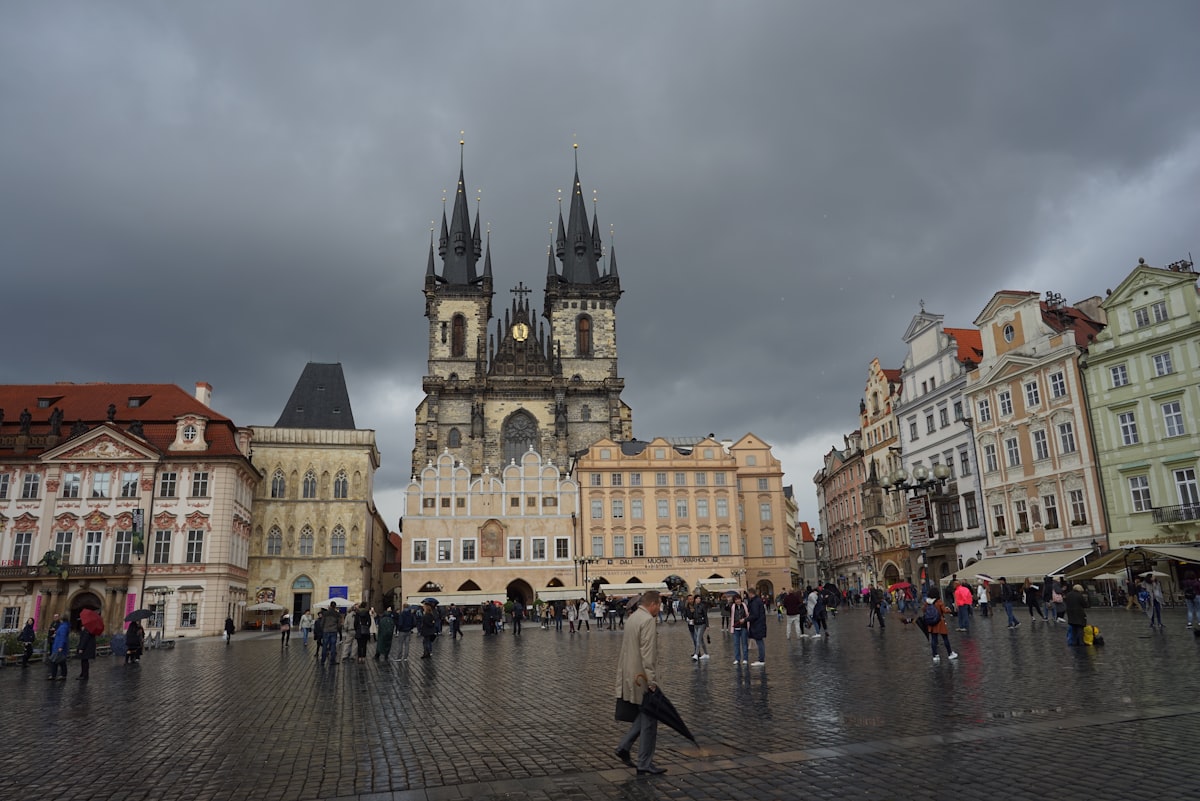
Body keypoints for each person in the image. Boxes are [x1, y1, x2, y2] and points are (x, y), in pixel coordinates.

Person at [614, 590, 666, 775]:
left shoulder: (633, 617)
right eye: (659, 605)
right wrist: (652, 681)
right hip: (642, 676)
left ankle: (624, 746)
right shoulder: (647, 621)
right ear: (652, 604)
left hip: (630, 673)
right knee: (650, 720)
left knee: (645, 714)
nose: (659, 609)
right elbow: (648, 654)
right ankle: (644, 762)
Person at [921, 589, 957, 663]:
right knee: (945, 638)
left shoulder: (927, 602)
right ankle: (950, 654)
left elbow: (923, 610)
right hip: (940, 622)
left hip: (931, 623)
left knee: (934, 639)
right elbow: (944, 610)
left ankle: (935, 655)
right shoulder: (939, 601)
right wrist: (949, 610)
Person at [745, 587, 767, 666]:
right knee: (760, 641)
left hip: (758, 625)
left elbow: (754, 615)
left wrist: (745, 619)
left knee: (759, 642)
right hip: (759, 624)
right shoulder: (757, 601)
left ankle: (761, 660)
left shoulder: (755, 602)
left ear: (751, 593)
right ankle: (761, 659)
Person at [729, 592, 750, 665]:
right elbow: (726, 609)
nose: (737, 601)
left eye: (738, 599)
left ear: (741, 599)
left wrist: (744, 620)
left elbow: (747, 615)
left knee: (744, 644)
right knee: (736, 644)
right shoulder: (732, 606)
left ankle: (745, 658)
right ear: (734, 601)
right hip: (736, 627)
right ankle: (737, 659)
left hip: (743, 627)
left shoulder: (744, 606)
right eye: (736, 599)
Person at [47, 614, 70, 681]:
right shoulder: (63, 626)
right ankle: (56, 675)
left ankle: (61, 675)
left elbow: (62, 637)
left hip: (59, 646)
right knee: (58, 661)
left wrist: (60, 646)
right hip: (57, 645)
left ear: (62, 619)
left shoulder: (63, 627)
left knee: (57, 661)